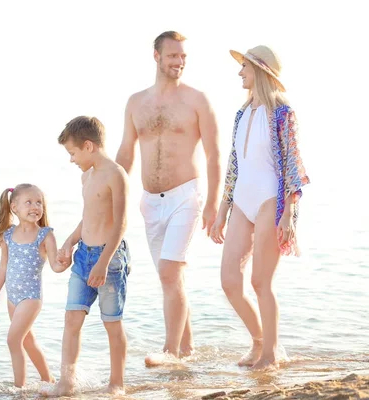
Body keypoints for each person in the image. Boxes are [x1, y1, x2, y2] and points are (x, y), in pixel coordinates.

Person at [115, 31, 221, 364]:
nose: (179, 62)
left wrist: (214, 204)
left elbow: (215, 154)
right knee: (170, 276)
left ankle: (170, 352)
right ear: (157, 56)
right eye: (173, 55)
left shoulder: (197, 99)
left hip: (185, 196)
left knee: (169, 273)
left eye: (183, 57)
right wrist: (109, 196)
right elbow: (126, 154)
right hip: (150, 201)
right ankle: (187, 348)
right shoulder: (135, 102)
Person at [209, 45, 310, 370]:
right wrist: (223, 208)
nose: (240, 72)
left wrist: (288, 213)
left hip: (271, 201)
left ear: (261, 72)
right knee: (229, 281)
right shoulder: (242, 113)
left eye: (245, 67)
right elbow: (234, 164)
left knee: (260, 283)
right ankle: (258, 341)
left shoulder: (282, 112)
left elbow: (293, 165)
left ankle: (270, 354)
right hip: (241, 201)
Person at [43, 116, 130, 396]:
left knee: (111, 323)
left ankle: (117, 383)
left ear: (88, 146)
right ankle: (67, 383)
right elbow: (88, 217)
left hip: (110, 259)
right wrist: (69, 242)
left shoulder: (115, 174)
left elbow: (120, 223)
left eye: (72, 153)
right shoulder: (87, 175)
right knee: (71, 320)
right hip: (83, 257)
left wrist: (104, 262)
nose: (71, 160)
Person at [0, 183, 68, 388]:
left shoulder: (45, 235)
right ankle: (47, 379)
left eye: (39, 202)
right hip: (12, 298)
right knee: (26, 341)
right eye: (29, 202)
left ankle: (19, 389)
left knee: (13, 341)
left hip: (31, 298)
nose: (35, 206)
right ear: (14, 207)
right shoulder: (8, 235)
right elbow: (3, 266)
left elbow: (55, 267)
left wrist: (65, 262)